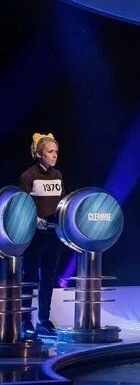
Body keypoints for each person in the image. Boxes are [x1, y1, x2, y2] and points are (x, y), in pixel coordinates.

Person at [19, 133, 65, 337]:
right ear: (39, 154)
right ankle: (25, 321)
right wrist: (35, 220)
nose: (54, 155)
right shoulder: (28, 176)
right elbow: (22, 205)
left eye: (56, 152)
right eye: (50, 152)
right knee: (29, 276)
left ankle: (43, 320)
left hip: (53, 235)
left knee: (48, 276)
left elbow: (63, 202)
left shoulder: (58, 175)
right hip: (34, 235)